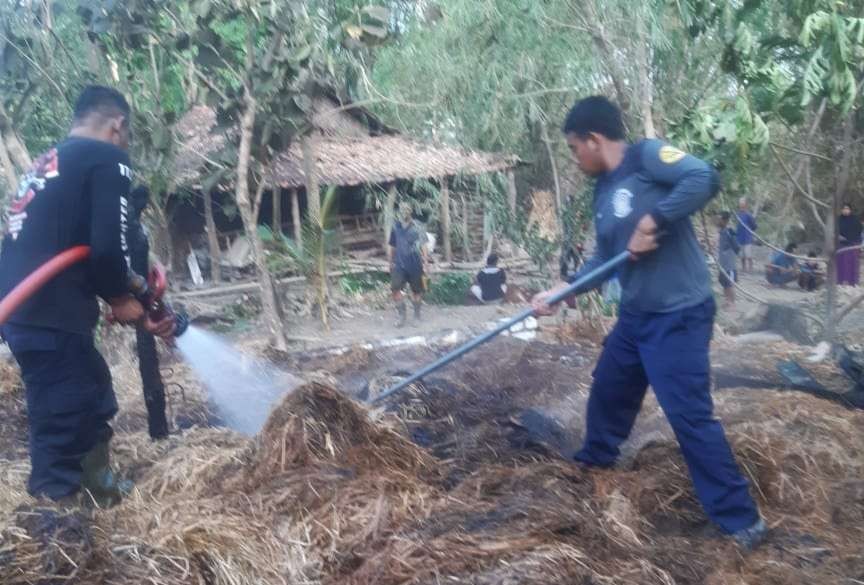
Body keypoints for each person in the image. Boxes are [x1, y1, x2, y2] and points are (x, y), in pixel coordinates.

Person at [532, 96, 765, 550]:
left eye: (575, 148)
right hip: (637, 316)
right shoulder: (602, 190)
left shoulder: (648, 157)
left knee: (689, 416)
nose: (575, 158)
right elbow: (603, 257)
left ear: (595, 140)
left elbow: (704, 176)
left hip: (678, 314)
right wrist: (563, 291)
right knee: (608, 390)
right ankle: (596, 465)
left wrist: (653, 219)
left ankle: (741, 522)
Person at [0, 86, 174, 506]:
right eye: (127, 136)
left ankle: (95, 485)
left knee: (92, 391)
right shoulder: (107, 157)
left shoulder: (53, 160)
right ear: (118, 126)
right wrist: (120, 296)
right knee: (64, 412)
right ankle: (54, 519)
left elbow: (82, 242)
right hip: (46, 309)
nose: (126, 145)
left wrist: (129, 287)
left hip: (30, 305)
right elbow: (106, 249)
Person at [128, 186, 169, 440]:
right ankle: (158, 431)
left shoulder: (138, 233)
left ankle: (159, 432)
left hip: (139, 300)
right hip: (133, 300)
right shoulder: (126, 232)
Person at [389, 202, 428, 327]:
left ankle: (417, 316)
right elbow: (392, 246)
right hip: (399, 264)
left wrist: (426, 262)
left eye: (407, 210)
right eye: (402, 210)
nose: (404, 212)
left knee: (417, 291)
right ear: (399, 212)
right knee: (395, 289)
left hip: (415, 264)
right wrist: (390, 262)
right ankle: (402, 316)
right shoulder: (395, 226)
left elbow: (423, 245)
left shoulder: (418, 226)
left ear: (410, 211)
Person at [717, 211, 740, 308]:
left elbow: (737, 247)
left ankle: (732, 303)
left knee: (730, 284)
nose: (718, 221)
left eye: (720, 219)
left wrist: (728, 252)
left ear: (725, 220)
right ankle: (727, 301)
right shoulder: (721, 232)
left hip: (729, 264)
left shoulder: (729, 232)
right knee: (724, 283)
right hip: (722, 264)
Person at [837, 203, 862, 286]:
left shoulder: (855, 219)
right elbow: (835, 231)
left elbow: (859, 231)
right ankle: (840, 282)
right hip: (841, 245)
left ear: (850, 210)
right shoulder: (838, 220)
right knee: (841, 263)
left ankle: (853, 283)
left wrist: (850, 239)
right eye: (843, 208)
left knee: (852, 263)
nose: (845, 210)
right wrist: (838, 236)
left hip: (853, 245)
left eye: (847, 208)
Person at [735, 198, 757, 273]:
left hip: (747, 238)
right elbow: (737, 226)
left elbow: (754, 225)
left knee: (748, 255)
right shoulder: (738, 214)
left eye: (742, 204)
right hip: (740, 237)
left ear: (745, 205)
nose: (741, 205)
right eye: (740, 204)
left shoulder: (748, 215)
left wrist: (750, 232)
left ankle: (750, 268)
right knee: (742, 255)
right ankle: (743, 268)